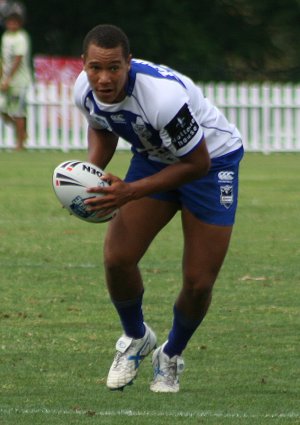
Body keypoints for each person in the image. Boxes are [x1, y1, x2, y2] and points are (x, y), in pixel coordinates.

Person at [74, 24, 244, 393]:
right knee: (117, 258)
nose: (104, 78)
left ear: (129, 63)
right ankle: (136, 337)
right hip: (155, 158)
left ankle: (170, 354)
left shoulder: (162, 98)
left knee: (199, 282)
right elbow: (103, 126)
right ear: (84, 64)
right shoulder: (83, 90)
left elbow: (196, 164)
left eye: (114, 68)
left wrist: (130, 192)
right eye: (96, 68)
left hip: (212, 164)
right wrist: (91, 174)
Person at [0, 9, 32, 150]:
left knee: (18, 112)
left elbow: (18, 59)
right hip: (7, 79)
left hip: (19, 81)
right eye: (9, 21)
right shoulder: (5, 36)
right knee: (3, 109)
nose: (12, 24)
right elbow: (3, 59)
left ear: (20, 23)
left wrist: (8, 79)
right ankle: (22, 133)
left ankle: (20, 144)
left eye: (15, 21)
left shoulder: (21, 37)